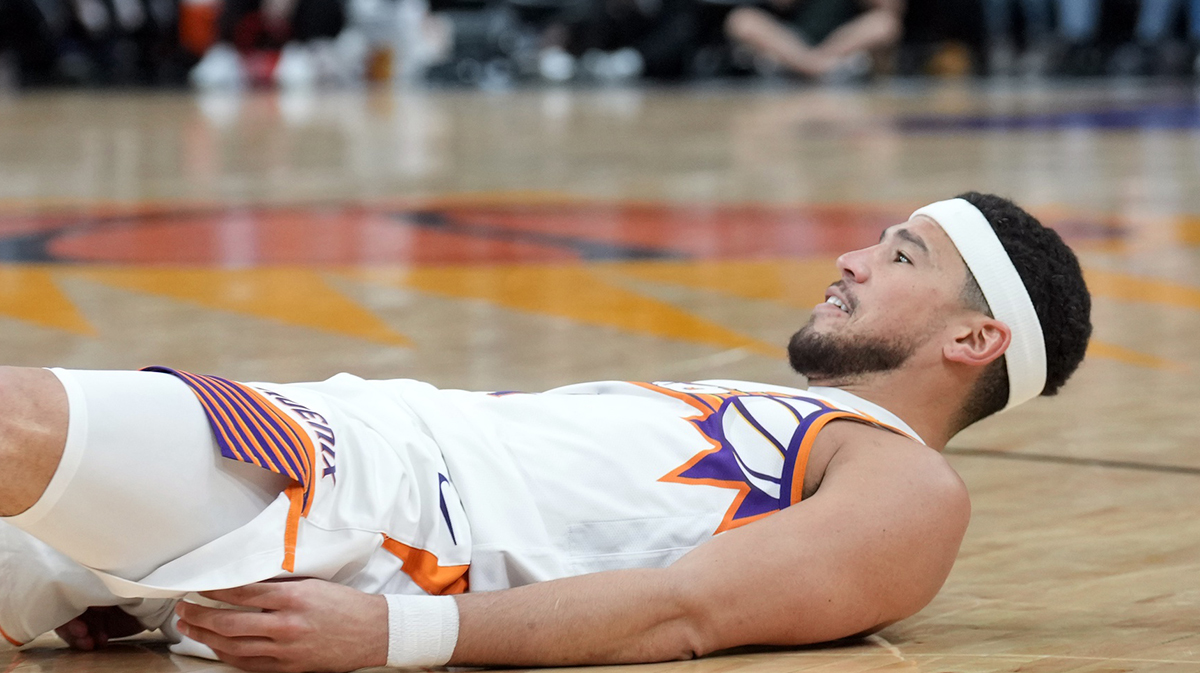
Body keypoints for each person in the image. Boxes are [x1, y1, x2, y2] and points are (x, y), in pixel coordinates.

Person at [0, 192, 1091, 672]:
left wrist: (393, 638)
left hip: (374, 503)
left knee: (15, 422)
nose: (853, 259)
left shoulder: (909, 487)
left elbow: (684, 612)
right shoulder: (805, 414)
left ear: (976, 339)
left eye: (901, 256)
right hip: (349, 468)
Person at [724, 0, 904, 80]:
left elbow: (891, 9)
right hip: (793, 43)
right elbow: (780, 3)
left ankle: (812, 66)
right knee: (742, 20)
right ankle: (813, 67)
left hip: (844, 46)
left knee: (885, 24)